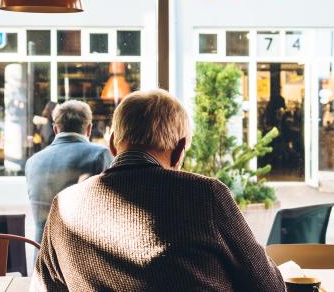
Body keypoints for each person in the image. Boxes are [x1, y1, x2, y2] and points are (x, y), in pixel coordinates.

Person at [31, 89, 286, 292]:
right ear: (179, 151)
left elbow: (45, 286)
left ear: (112, 145)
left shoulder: (64, 205)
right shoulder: (205, 196)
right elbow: (269, 287)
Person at [25, 100, 113, 243]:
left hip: (42, 257)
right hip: (81, 258)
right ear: (89, 129)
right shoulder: (100, 155)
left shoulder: (32, 162)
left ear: (55, 129)